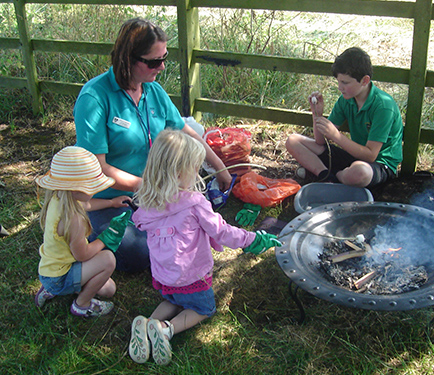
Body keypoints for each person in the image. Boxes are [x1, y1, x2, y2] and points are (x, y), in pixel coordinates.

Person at [73, 18, 232, 273]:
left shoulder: (153, 91)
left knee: (191, 228)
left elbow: (186, 131)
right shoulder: (94, 98)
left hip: (153, 192)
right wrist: (152, 186)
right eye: (153, 61)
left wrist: (219, 166)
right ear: (127, 59)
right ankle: (90, 235)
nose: (162, 67)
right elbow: (98, 169)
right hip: (110, 200)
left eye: (164, 57)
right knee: (143, 253)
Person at [128, 130, 281, 365]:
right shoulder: (195, 203)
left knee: (174, 299)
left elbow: (138, 222)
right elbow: (222, 231)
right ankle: (167, 329)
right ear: (180, 172)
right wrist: (251, 240)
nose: (197, 172)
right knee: (203, 308)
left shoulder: (147, 202)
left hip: (164, 277)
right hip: (190, 277)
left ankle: (148, 323)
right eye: (194, 168)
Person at [34, 146, 132, 317]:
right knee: (108, 260)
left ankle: (51, 289)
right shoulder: (74, 220)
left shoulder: (60, 198)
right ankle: (81, 304)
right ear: (76, 189)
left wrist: (111, 203)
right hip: (60, 276)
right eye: (91, 186)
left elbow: (87, 204)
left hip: (50, 269)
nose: (95, 189)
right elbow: (83, 256)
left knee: (109, 289)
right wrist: (106, 237)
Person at [286, 47, 403, 188]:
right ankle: (326, 176)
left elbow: (371, 155)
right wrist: (317, 114)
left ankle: (335, 177)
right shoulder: (346, 99)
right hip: (354, 157)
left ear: (365, 81)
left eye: (345, 83)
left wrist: (336, 136)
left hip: (379, 165)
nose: (340, 87)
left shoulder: (383, 106)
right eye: (338, 81)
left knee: (360, 172)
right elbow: (320, 140)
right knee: (293, 140)